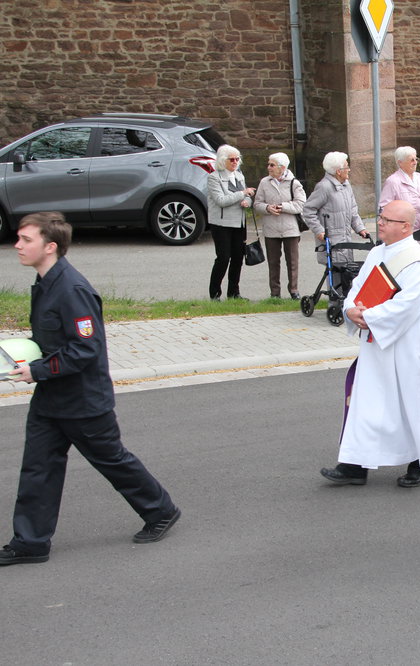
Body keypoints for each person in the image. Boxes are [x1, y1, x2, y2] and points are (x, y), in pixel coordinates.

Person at [3, 212, 180, 566]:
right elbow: (54, 340)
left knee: (112, 460)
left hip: (83, 400)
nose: (17, 245)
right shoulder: (45, 282)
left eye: (26, 240)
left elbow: (85, 349)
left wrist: (36, 370)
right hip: (51, 397)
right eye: (18, 239)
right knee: (38, 468)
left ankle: (160, 510)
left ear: (50, 246)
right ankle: (30, 542)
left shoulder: (72, 289)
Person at [320, 200, 420, 488]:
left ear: (406, 226)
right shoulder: (377, 252)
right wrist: (351, 310)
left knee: (411, 404)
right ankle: (355, 464)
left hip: (408, 347)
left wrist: (369, 317)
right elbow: (357, 288)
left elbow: (406, 306)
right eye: (381, 217)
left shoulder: (417, 261)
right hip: (377, 342)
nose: (380, 223)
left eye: (387, 219)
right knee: (367, 402)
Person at [300, 152, 370, 287]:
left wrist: (360, 228)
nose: (349, 170)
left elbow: (353, 210)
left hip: (345, 237)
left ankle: (344, 301)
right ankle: (335, 303)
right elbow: (308, 210)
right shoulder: (324, 187)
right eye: (346, 167)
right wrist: (318, 231)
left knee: (347, 271)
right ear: (338, 171)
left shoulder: (346, 185)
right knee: (335, 270)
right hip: (331, 238)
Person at [254, 152, 307, 300]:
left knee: (292, 262)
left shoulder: (294, 183)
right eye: (268, 164)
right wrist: (267, 208)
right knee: (273, 262)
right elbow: (257, 204)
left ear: (282, 168)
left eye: (272, 165)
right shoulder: (264, 182)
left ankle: (294, 290)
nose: (268, 167)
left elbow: (301, 204)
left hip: (290, 229)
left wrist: (282, 207)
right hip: (271, 229)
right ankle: (275, 293)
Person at [206, 144, 254, 301]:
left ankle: (234, 292)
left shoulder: (239, 175)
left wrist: (247, 200)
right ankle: (215, 293)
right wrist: (242, 194)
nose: (235, 162)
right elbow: (221, 200)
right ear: (222, 160)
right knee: (223, 258)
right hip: (221, 224)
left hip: (239, 222)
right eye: (231, 159)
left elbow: (247, 196)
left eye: (237, 159)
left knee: (238, 258)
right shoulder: (214, 178)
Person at [379, 146, 420, 231]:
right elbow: (384, 208)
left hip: (419, 231)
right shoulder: (393, 181)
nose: (415, 162)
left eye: (416, 159)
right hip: (400, 232)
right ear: (400, 163)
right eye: (411, 160)